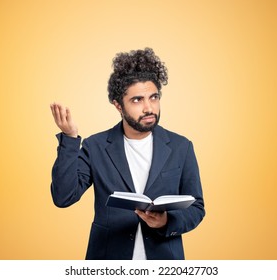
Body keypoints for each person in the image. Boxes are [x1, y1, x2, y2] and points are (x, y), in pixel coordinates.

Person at [50, 48, 205, 260]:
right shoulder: (95, 146)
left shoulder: (181, 147)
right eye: (137, 100)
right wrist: (69, 138)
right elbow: (63, 197)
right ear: (118, 105)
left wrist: (167, 221)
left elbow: (196, 207)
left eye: (154, 97)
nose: (149, 108)